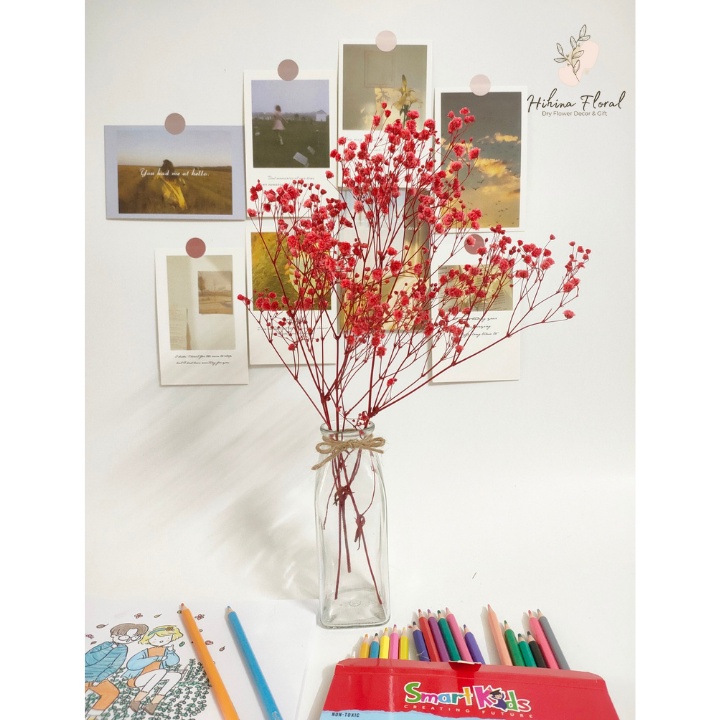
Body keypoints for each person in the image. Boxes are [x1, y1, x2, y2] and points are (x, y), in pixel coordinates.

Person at [84, 622, 149, 718]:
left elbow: (114, 667)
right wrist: (109, 649)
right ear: (113, 636)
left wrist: (99, 679)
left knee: (112, 692)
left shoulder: (123, 649)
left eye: (134, 637)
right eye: (125, 637)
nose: (129, 639)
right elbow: (88, 659)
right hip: (86, 675)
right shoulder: (105, 645)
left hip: (98, 679)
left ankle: (92, 716)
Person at [123, 625, 184, 715]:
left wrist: (171, 652)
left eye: (167, 638)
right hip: (138, 678)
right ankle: (136, 701)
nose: (162, 641)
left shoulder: (166, 651)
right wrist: (156, 658)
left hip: (156, 677)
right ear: (149, 639)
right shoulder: (146, 652)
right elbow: (131, 665)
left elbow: (173, 662)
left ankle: (153, 704)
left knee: (176, 675)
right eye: (156, 638)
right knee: (161, 671)